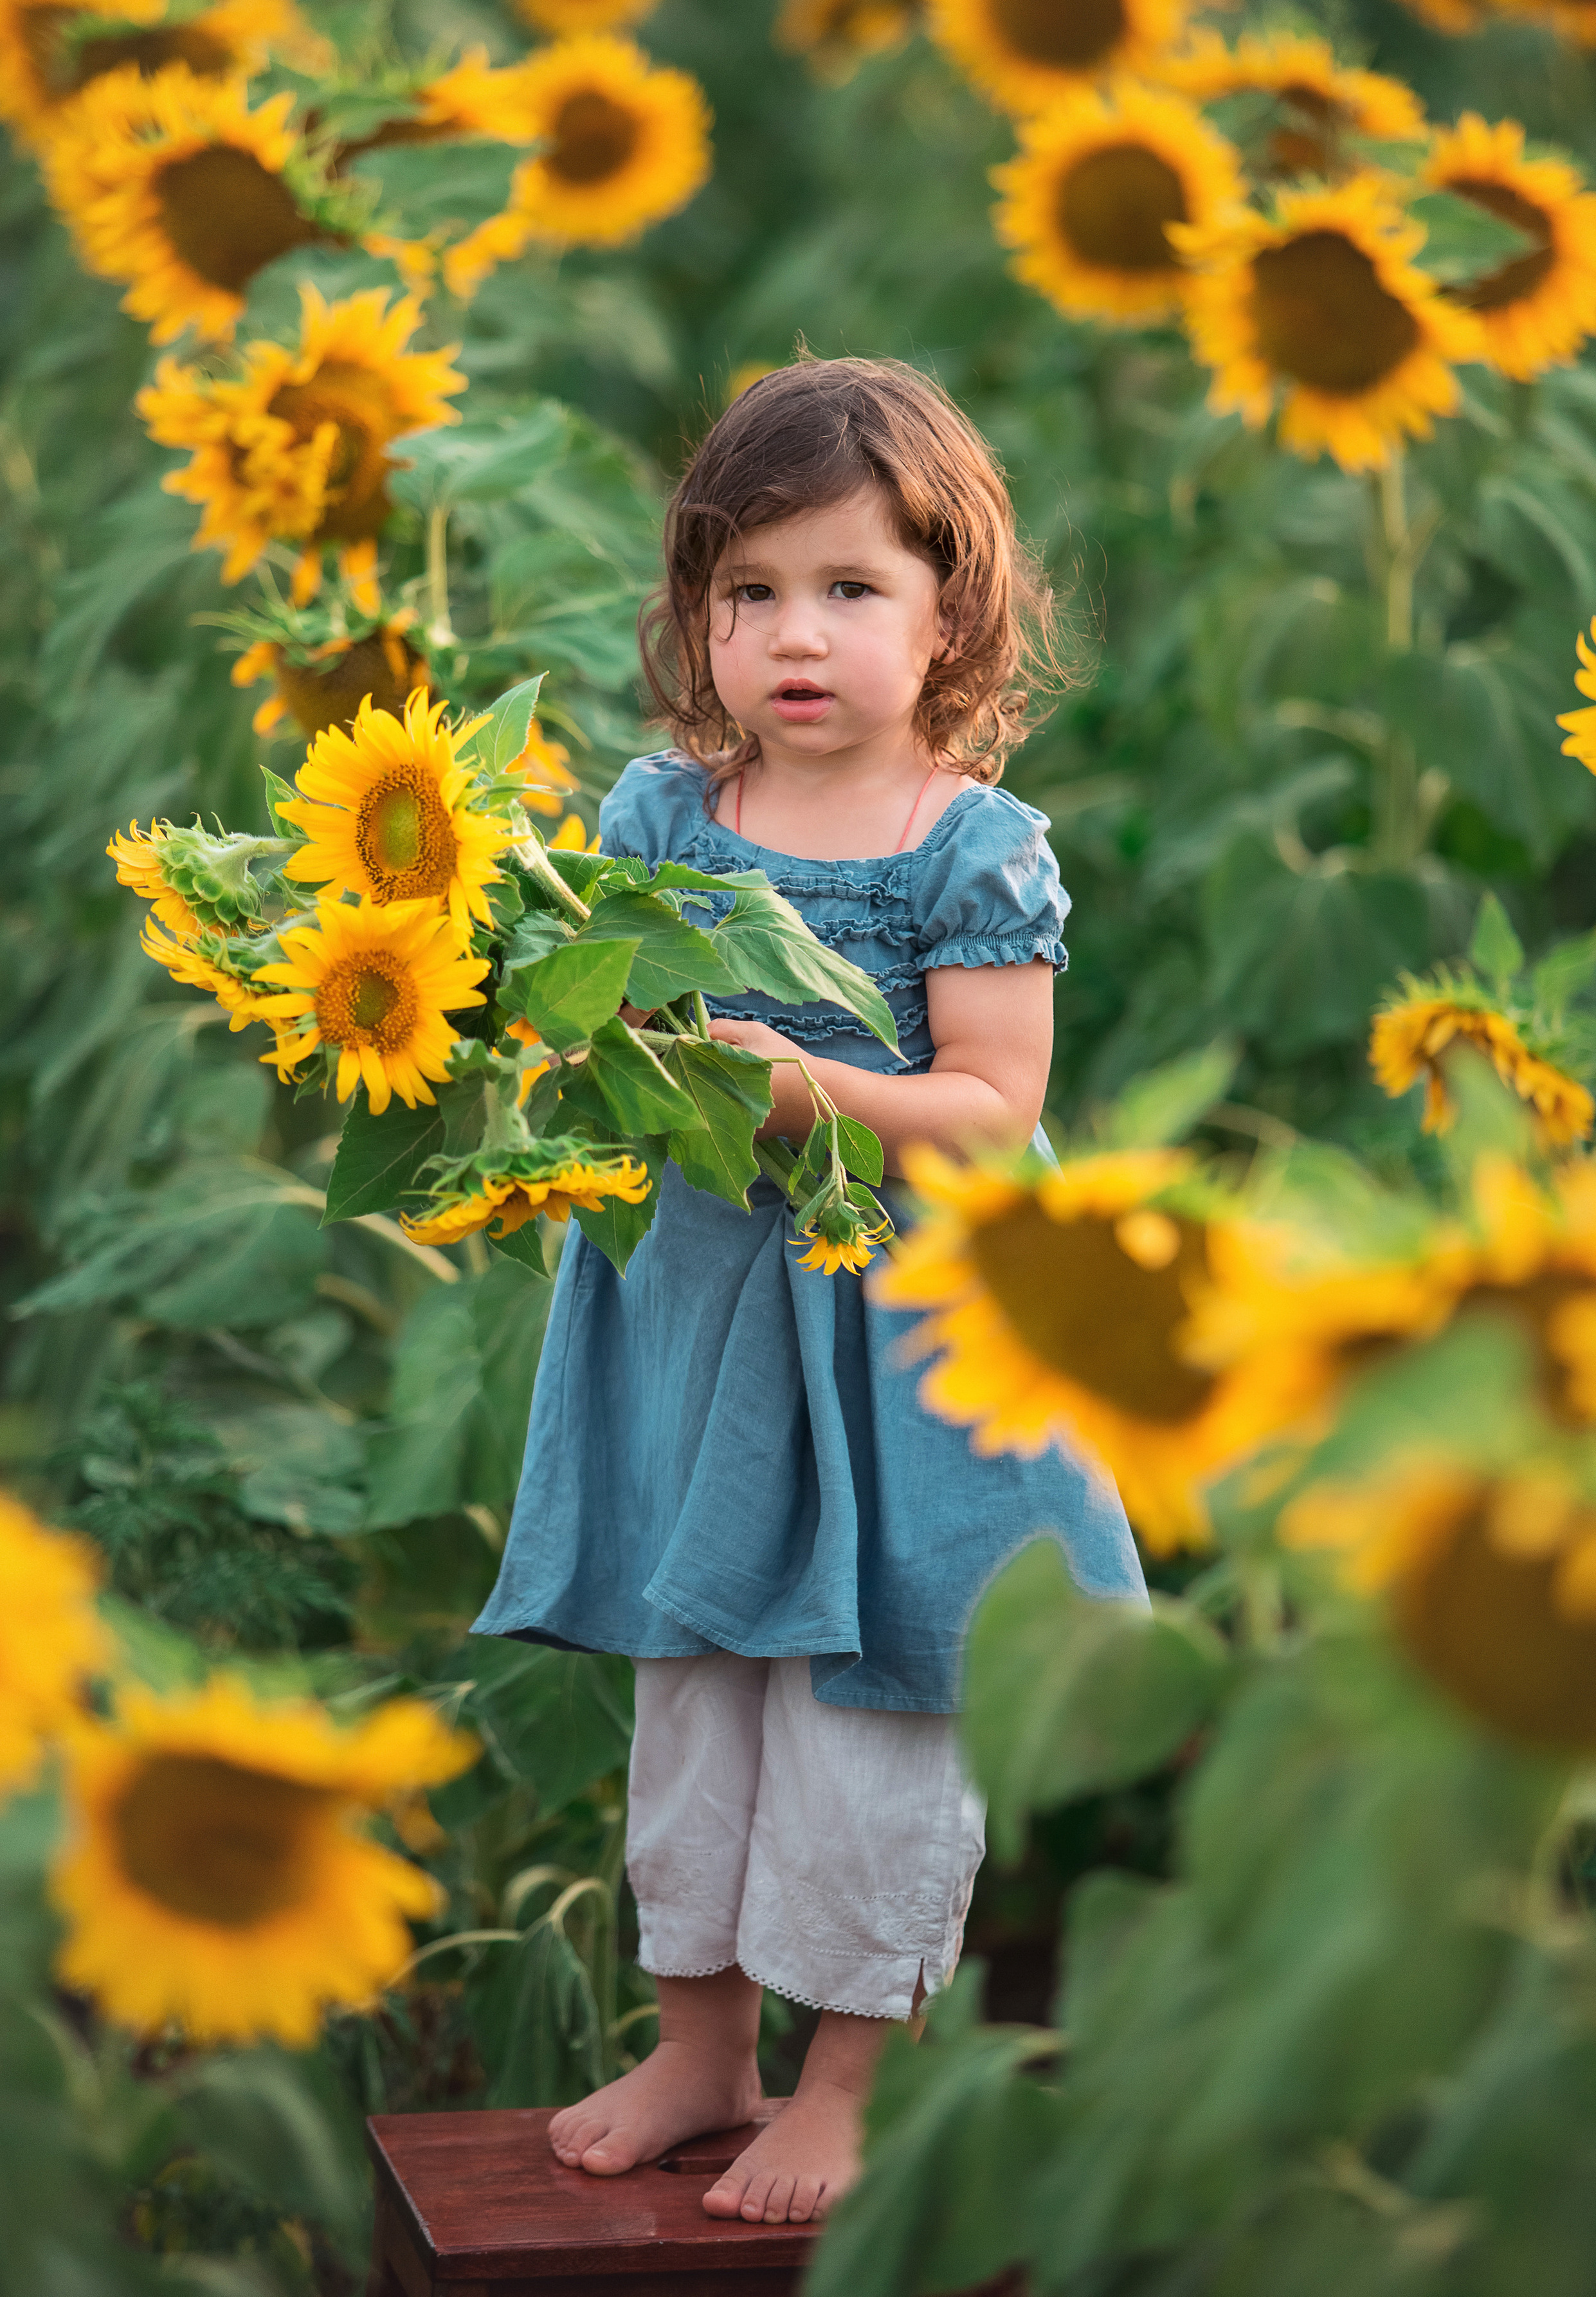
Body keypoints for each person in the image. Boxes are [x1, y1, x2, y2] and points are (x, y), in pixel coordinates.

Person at [471, 355, 1145, 2226]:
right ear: (696, 610)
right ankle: (703, 2043)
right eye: (748, 589)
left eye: (852, 589)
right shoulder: (667, 819)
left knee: (875, 1715)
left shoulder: (966, 847)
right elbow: (585, 1033)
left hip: (900, 1349)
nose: (795, 634)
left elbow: (997, 1117)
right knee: (697, 1697)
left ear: (952, 617)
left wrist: (799, 1086)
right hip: (702, 1327)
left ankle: (851, 2076)